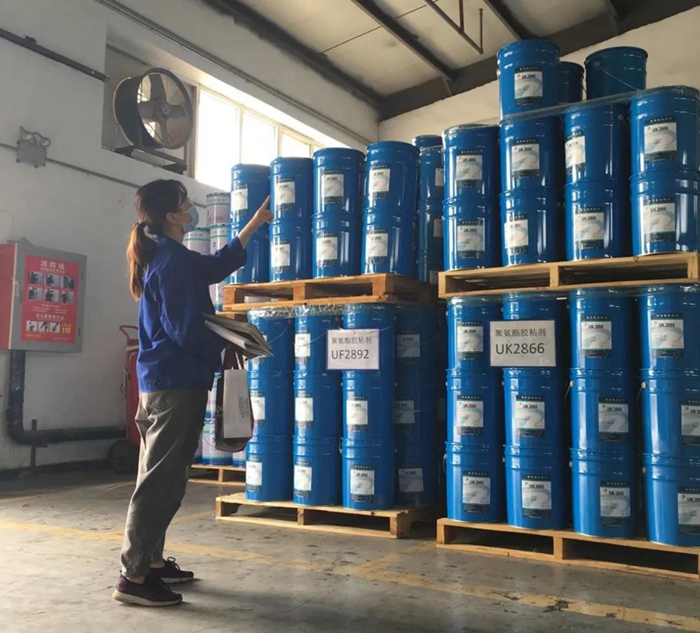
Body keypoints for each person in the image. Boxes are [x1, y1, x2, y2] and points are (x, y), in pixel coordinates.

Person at [114, 179, 272, 607]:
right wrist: (232, 340)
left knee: (165, 478)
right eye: (185, 204)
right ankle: (133, 576)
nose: (192, 209)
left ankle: (152, 560)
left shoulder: (172, 257)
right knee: (159, 483)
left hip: (167, 383)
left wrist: (253, 225)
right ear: (171, 216)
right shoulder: (171, 263)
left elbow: (215, 266)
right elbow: (186, 331)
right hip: (174, 386)